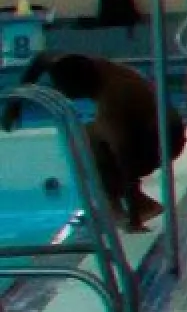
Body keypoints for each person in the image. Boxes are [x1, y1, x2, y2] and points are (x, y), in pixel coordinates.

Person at [23, 51, 173, 229]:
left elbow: (125, 162)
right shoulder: (90, 67)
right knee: (92, 137)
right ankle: (121, 206)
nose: (63, 93)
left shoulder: (113, 100)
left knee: (86, 144)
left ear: (81, 85)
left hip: (163, 141)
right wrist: (14, 105)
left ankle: (137, 207)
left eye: (66, 90)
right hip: (157, 126)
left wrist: (134, 217)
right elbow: (41, 58)